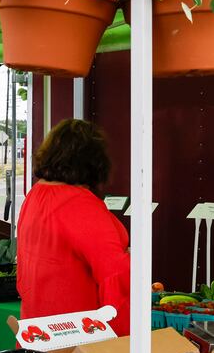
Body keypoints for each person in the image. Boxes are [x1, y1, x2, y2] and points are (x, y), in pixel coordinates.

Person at [16, 119, 131, 336]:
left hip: (38, 331)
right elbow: (117, 278)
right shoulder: (81, 205)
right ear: (94, 162)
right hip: (78, 339)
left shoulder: (34, 195)